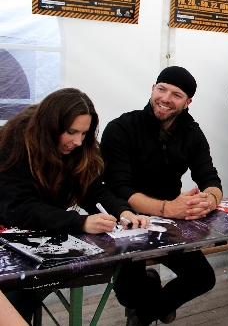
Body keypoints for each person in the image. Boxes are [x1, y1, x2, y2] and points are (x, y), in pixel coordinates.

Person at [0, 88, 149, 324]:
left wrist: (122, 210)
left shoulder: (79, 147)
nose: (78, 141)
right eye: (71, 132)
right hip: (8, 240)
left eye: (84, 133)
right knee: (18, 298)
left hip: (40, 236)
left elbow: (92, 188)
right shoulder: (15, 142)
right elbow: (19, 208)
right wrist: (80, 222)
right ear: (51, 125)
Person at [101, 66, 222, 326]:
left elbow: (211, 179)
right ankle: (149, 295)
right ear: (152, 89)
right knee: (128, 294)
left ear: (187, 102)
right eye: (162, 89)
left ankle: (144, 315)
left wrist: (207, 201)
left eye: (176, 94)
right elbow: (120, 188)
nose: (166, 98)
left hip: (169, 223)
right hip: (126, 220)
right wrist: (169, 208)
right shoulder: (121, 128)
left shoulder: (192, 133)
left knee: (203, 278)